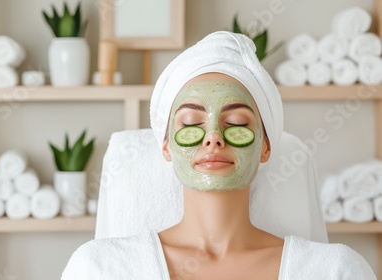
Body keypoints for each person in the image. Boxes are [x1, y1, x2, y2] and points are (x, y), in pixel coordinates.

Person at [61, 31, 376, 279]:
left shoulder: (335, 271)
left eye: (236, 123)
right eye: (191, 124)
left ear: (266, 146)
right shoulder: (99, 269)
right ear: (167, 145)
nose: (213, 137)